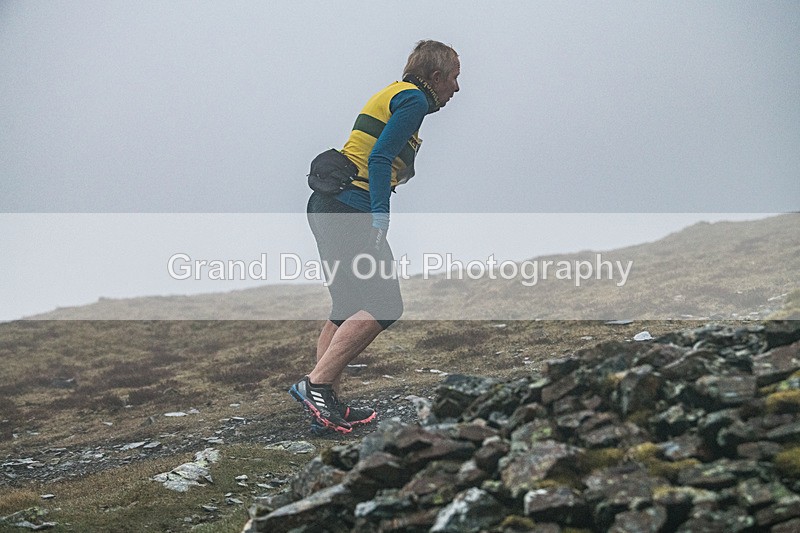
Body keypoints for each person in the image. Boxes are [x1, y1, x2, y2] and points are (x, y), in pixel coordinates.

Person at [289, 40, 460, 434]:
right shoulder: (415, 100)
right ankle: (315, 387)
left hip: (327, 205)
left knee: (348, 305)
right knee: (385, 305)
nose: (456, 88)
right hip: (351, 207)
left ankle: (325, 400)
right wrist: (380, 216)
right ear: (436, 77)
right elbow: (380, 157)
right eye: (454, 78)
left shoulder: (394, 92)